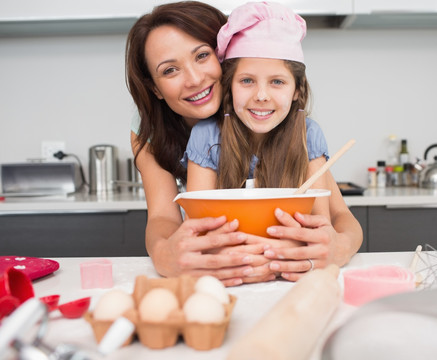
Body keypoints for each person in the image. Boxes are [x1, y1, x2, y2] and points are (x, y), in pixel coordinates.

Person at [126, 1, 363, 285]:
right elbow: (163, 218)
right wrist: (165, 254)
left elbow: (336, 215)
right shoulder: (155, 131)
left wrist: (339, 247)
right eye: (169, 71)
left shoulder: (290, 127)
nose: (194, 79)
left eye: (202, 55)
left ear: (225, 57)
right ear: (155, 88)